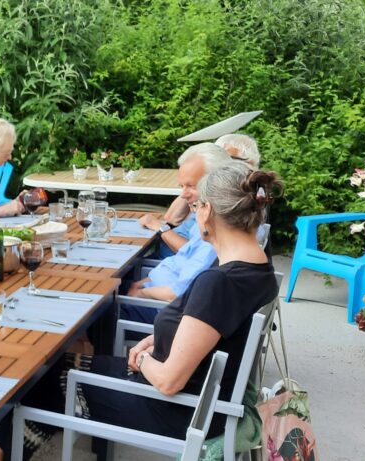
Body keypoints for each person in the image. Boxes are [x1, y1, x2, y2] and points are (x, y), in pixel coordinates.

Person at [73, 163, 283, 441]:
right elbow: (210, 332)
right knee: (75, 364)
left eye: (196, 208)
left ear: (207, 211)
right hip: (208, 402)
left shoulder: (219, 282)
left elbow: (168, 382)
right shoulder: (260, 270)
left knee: (49, 381)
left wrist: (144, 357)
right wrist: (157, 339)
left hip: (177, 411)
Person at [129, 144, 231, 305]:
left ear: (218, 182)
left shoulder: (215, 232)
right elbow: (183, 258)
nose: (183, 194)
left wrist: (141, 292)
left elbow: (177, 293)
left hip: (159, 307)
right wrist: (143, 284)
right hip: (154, 287)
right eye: (181, 186)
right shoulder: (212, 219)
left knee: (93, 308)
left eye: (191, 186)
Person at [153, 134, 262, 256]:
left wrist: (160, 228)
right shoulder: (205, 200)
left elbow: (194, 256)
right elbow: (171, 219)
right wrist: (192, 186)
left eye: (228, 159)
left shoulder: (224, 209)